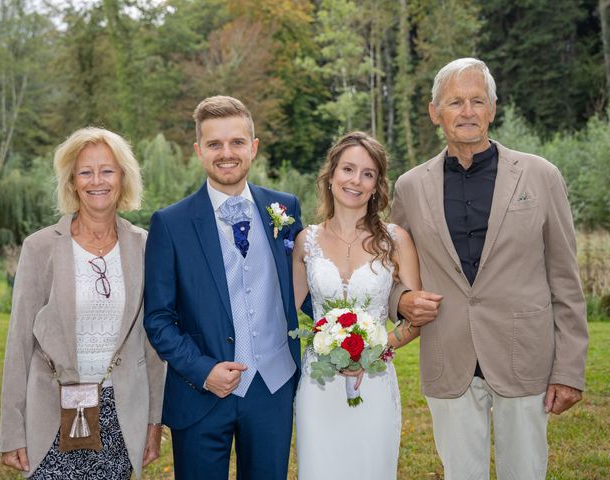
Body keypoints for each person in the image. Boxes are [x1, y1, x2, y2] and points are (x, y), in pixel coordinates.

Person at [391, 57, 589, 480]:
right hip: (449, 355)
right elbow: (392, 271)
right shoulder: (409, 187)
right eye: (455, 102)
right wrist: (403, 300)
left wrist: (569, 369)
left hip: (525, 356)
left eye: (477, 101)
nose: (467, 112)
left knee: (526, 472)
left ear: (492, 109)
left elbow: (565, 280)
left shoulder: (540, 176)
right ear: (434, 112)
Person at [143, 95, 305, 480]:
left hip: (273, 386)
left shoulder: (285, 209)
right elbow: (159, 319)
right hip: (201, 391)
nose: (226, 153)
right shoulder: (170, 223)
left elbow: (308, 287)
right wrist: (204, 371)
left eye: (236, 142)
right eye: (214, 144)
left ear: (253, 147)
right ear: (199, 152)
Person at [0, 127, 166, 478]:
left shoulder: (145, 246)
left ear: (123, 177)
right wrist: (11, 430)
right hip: (52, 412)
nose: (96, 181)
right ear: (72, 181)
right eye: (85, 172)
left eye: (107, 170)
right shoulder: (40, 247)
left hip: (121, 413)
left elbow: (151, 346)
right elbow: (18, 344)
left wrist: (154, 422)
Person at [293, 131, 422, 479]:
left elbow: (416, 319)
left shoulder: (396, 240)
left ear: (377, 184)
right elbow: (288, 314)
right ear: (331, 175)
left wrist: (376, 349)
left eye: (368, 174)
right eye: (348, 169)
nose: (356, 181)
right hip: (319, 385)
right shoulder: (307, 241)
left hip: (376, 381)